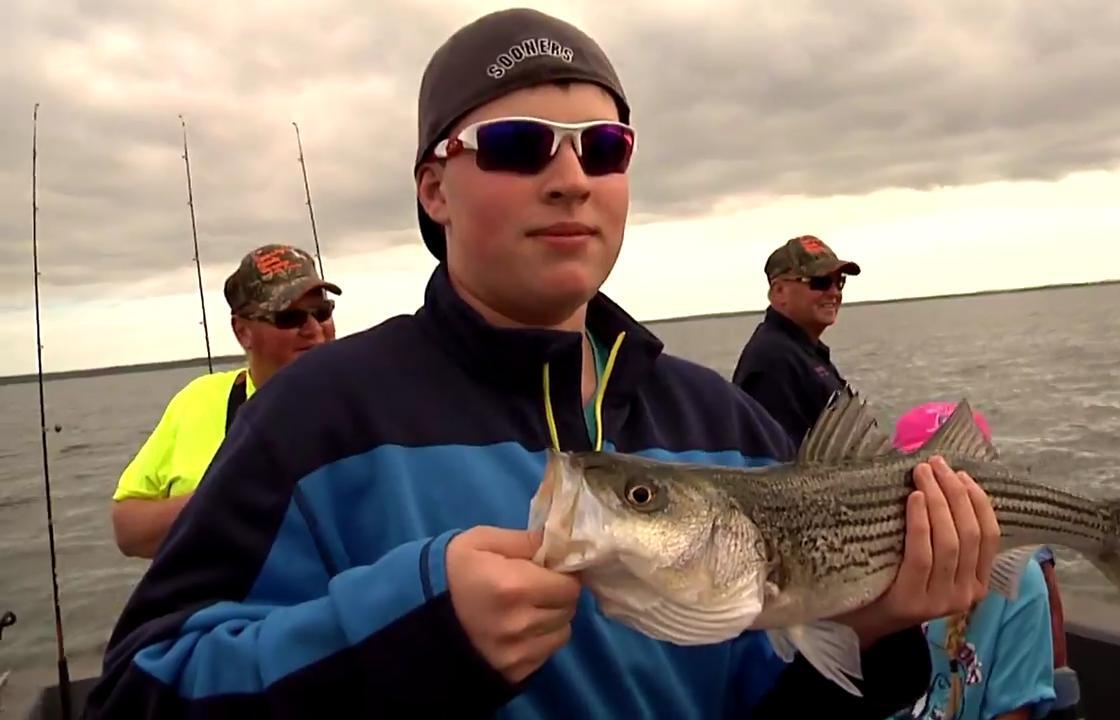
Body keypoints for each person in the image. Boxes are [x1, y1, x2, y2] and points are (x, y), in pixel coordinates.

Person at [82, 9, 1001, 719]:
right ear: (433, 187)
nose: (571, 179)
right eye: (520, 145)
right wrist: (410, 627)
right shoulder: (319, 416)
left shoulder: (722, 425)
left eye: (605, 149)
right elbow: (136, 693)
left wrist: (871, 630)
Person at [109, 243, 340, 559]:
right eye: (290, 317)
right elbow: (129, 530)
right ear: (242, 331)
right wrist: (229, 496)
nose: (314, 329)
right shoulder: (197, 400)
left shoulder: (365, 397)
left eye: (322, 312)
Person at [888, 402, 1057, 720]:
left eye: (958, 488)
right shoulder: (864, 577)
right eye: (921, 486)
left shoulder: (1021, 580)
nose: (943, 504)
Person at [732, 234, 862, 444]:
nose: (834, 292)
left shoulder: (804, 351)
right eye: (820, 282)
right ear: (779, 291)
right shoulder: (774, 361)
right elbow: (779, 464)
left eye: (840, 282)